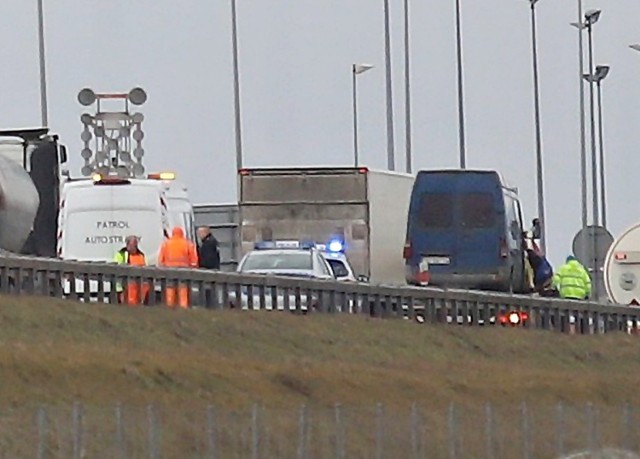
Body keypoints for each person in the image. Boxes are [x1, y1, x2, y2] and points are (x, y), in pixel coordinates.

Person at [158, 227, 198, 309]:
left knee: (170, 289)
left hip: (169, 271)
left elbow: (160, 260)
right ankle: (183, 307)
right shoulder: (188, 244)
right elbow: (194, 260)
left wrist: (162, 270)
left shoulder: (166, 244)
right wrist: (193, 269)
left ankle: (170, 306)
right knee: (183, 290)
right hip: (184, 271)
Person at [113, 235, 149, 306]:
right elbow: (117, 268)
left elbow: (146, 269)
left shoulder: (141, 255)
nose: (135, 246)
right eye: (133, 244)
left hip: (139, 289)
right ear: (127, 244)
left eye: (136, 244)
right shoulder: (121, 254)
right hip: (124, 288)